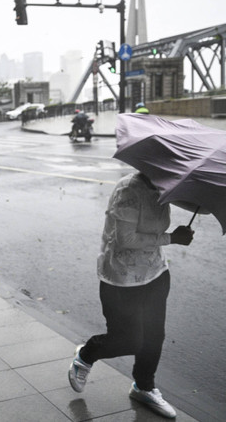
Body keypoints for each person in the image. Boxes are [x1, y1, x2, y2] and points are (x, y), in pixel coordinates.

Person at [68, 172, 194, 419]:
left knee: (154, 336)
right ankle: (87, 354)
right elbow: (126, 239)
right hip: (121, 278)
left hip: (156, 273)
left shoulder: (165, 186)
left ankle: (143, 387)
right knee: (129, 339)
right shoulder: (128, 190)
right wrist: (172, 238)